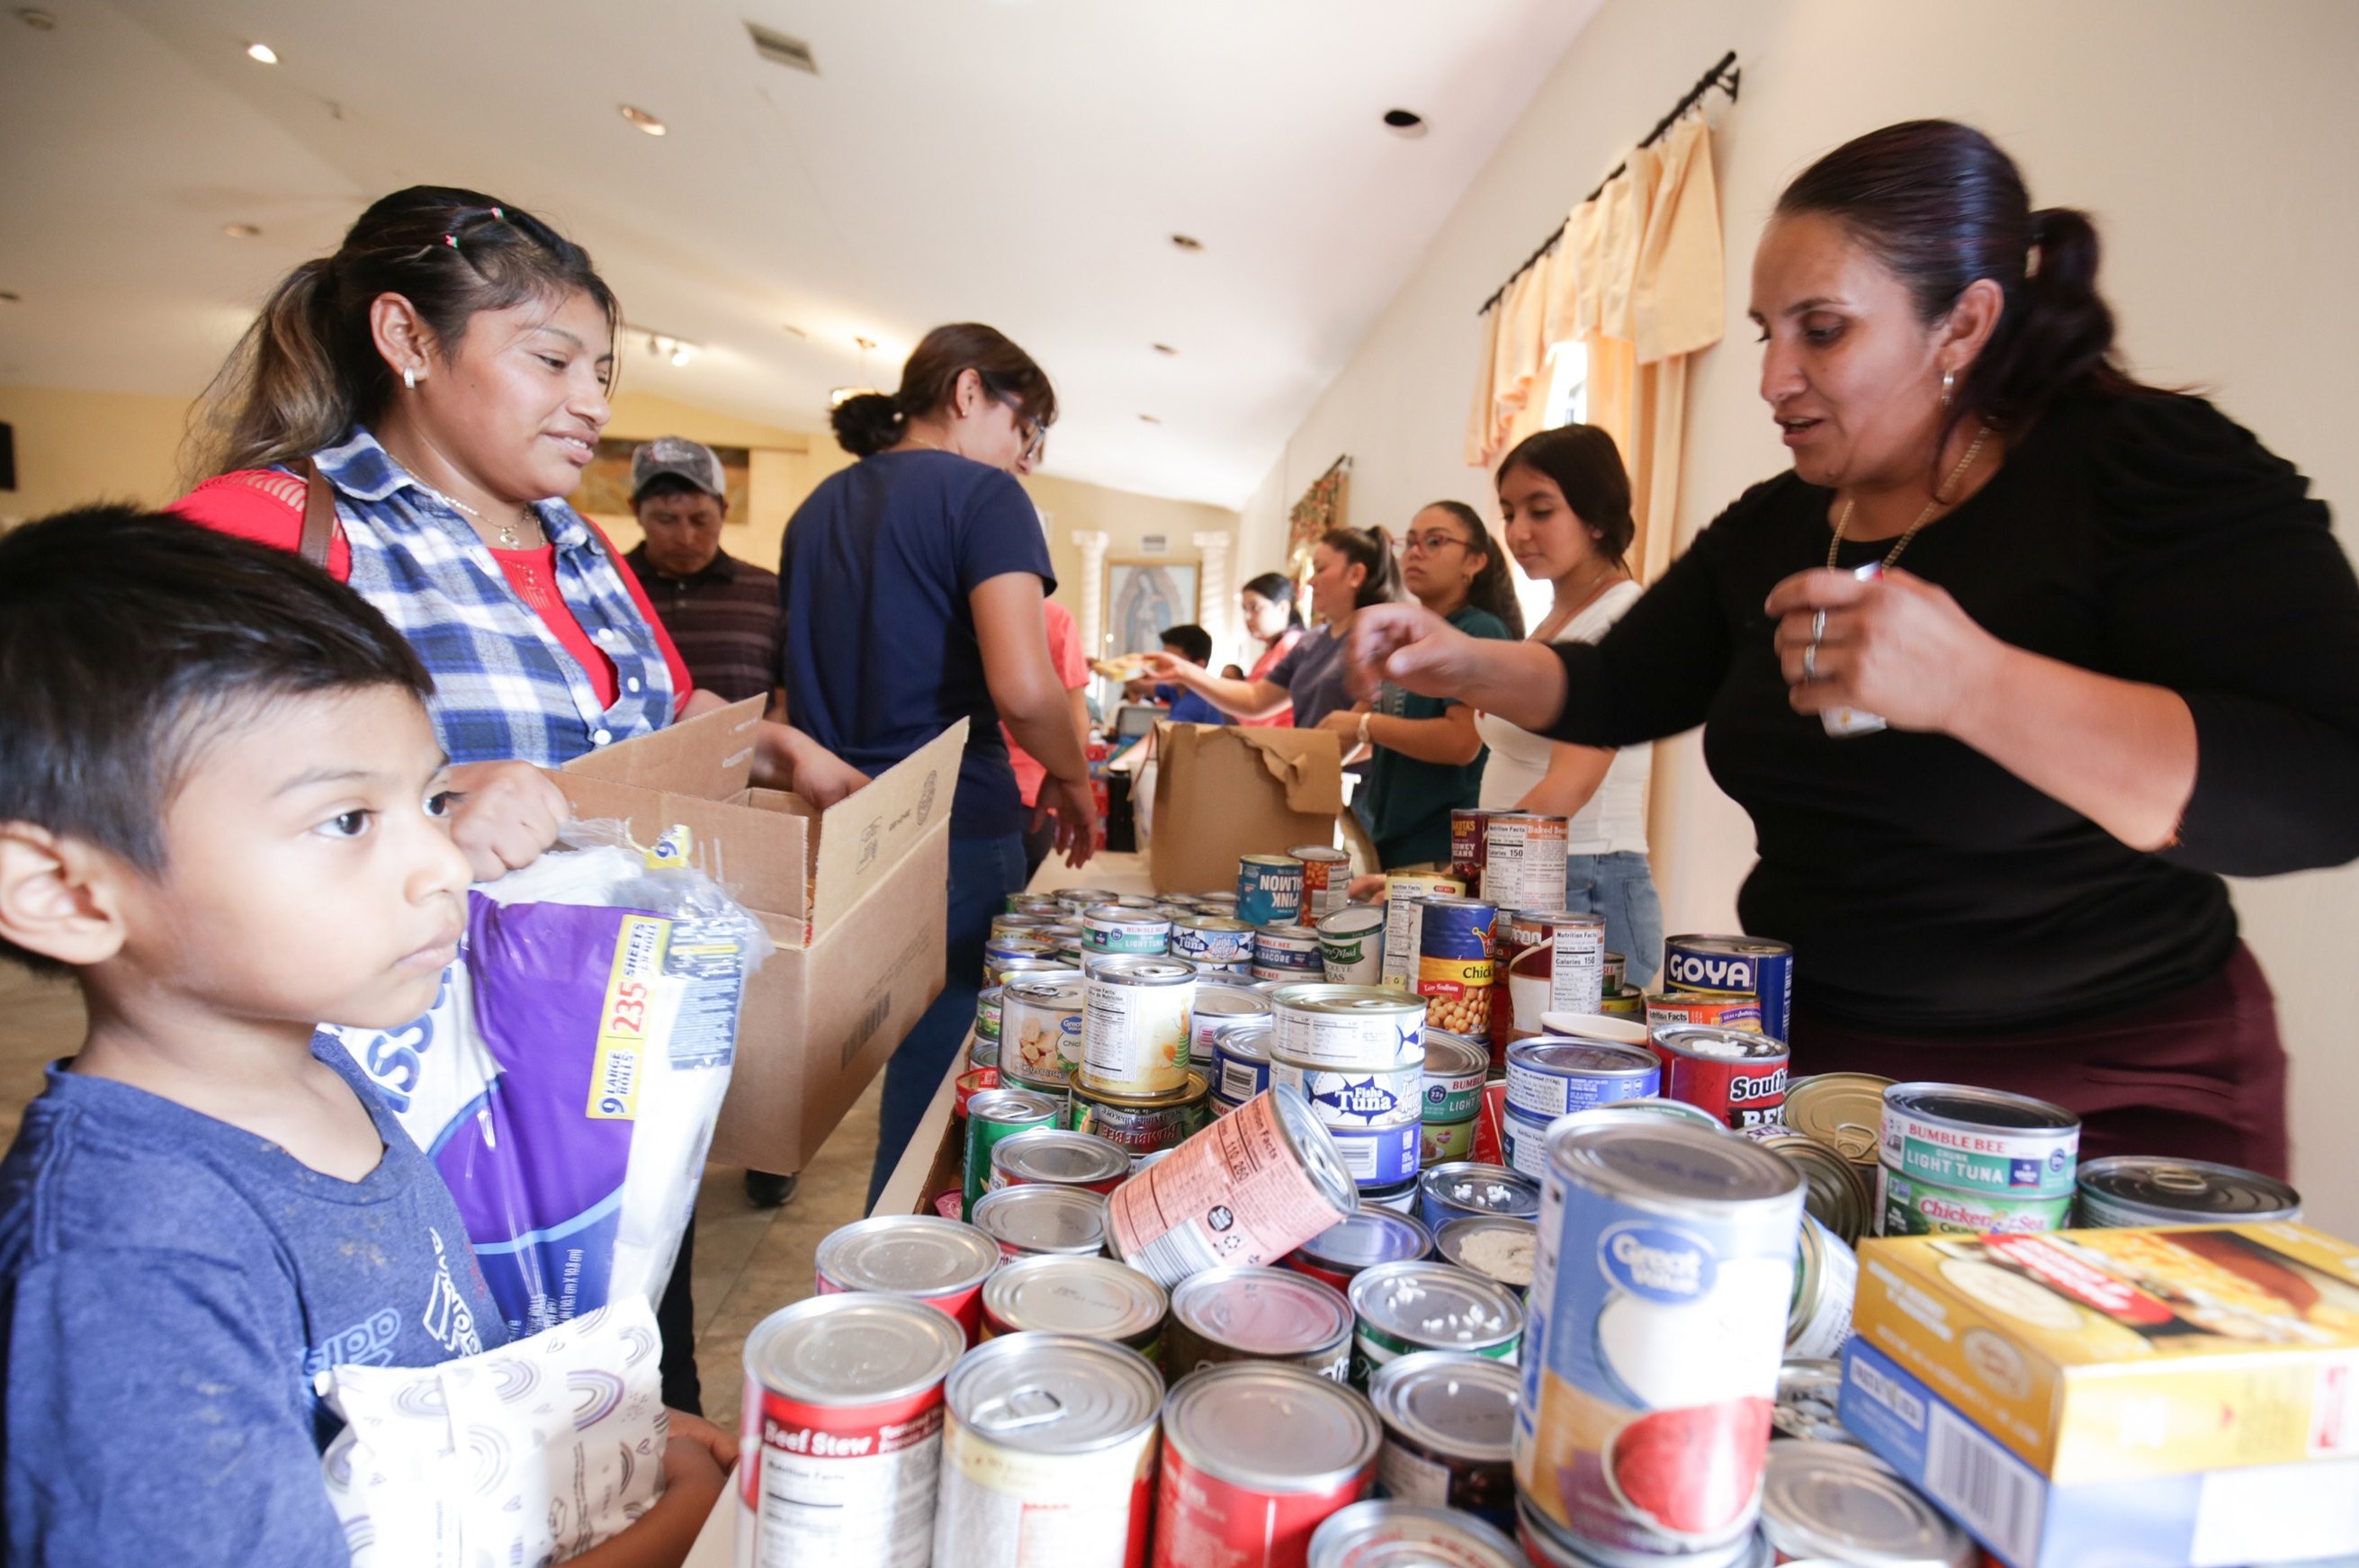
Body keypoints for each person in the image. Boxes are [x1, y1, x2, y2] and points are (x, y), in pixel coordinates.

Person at [1347, 120, 2359, 1175]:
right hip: (1820, 1077)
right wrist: (1454, 660)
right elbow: (1613, 684)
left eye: (1822, 331)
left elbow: (2323, 784)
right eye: (1765, 333)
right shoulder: (1778, 526)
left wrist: (1979, 686)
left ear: (1962, 323)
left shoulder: (2144, 471)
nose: (1774, 378)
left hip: (2099, 1098)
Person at [169, 185, 857, 1409]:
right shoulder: (274, 526)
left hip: (609, 1085)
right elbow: (149, 802)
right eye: (549, 359)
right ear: (407, 338)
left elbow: (644, 721)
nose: (591, 400)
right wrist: (420, 803)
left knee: (634, 1401)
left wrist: (765, 747)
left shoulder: (579, 545)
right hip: (408, 1114)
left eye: (601, 367)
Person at [0, 509, 734, 1568]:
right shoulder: (122, 1275)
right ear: (65, 892)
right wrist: (669, 1538)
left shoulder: (317, 1066)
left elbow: (420, 1405)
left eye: (431, 799)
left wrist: (587, 1442)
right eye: (347, 820)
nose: (441, 864)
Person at [780, 323, 1097, 1206]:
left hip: (844, 827)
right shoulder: (983, 499)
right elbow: (1029, 691)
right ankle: (907, 1275)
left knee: (902, 1065)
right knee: (949, 1081)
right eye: (1023, 428)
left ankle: (892, 1249)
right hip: (954, 819)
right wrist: (1073, 777)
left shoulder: (817, 509)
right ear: (967, 393)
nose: (1023, 458)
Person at [1476, 426, 1664, 986]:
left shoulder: (1619, 621)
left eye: (1541, 511)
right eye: (1509, 513)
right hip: (1532, 876)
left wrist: (1460, 875)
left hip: (1582, 880)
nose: (1517, 532)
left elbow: (1569, 788)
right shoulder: (1557, 620)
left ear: (1596, 516)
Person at [1317, 504, 1519, 868]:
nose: (1415, 552)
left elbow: (1462, 742)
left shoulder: (1479, 630)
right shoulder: (1404, 636)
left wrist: (1365, 727)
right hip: (1392, 842)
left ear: (1474, 562)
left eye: (1434, 541)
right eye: (1408, 542)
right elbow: (1361, 722)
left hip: (1442, 848)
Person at [1143, 527, 1398, 732]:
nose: (1310, 580)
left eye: (1320, 569)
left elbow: (1375, 730)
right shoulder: (1312, 642)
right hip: (1314, 773)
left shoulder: (1381, 640)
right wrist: (1183, 671)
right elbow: (1255, 699)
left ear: (1355, 574)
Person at [623, 435, 785, 709]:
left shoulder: (768, 590)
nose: (685, 538)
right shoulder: (607, 586)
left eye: (700, 520)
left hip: (746, 750)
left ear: (723, 511)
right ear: (636, 511)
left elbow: (786, 702)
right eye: (666, 520)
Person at [1004, 597, 1095, 880]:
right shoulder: (1050, 616)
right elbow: (1076, 722)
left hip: (939, 791)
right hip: (1028, 792)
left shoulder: (936, 602)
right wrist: (1067, 778)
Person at [1235, 571, 1307, 726]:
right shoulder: (1274, 647)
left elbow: (1258, 703)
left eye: (1255, 608)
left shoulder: (1292, 645)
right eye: (1245, 609)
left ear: (1282, 607)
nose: (1247, 617)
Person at [1130, 623, 1227, 725]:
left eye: (1171, 663)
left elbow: (1160, 737)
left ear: (1199, 666)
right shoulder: (1178, 687)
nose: (1162, 667)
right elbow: (1142, 686)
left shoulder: (1196, 703)